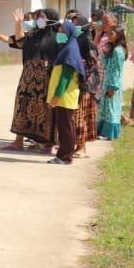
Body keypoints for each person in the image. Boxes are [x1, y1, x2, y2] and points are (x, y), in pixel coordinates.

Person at [0, 8, 60, 152]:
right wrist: (18, 24)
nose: (39, 20)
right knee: (22, 107)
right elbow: (19, 40)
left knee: (46, 110)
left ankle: (48, 144)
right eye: (38, 17)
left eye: (43, 17)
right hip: (27, 79)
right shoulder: (32, 35)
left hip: (47, 79)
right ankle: (18, 142)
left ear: (51, 19)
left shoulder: (58, 37)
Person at [47, 18, 85, 164]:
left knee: (66, 127)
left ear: (69, 32)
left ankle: (65, 157)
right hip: (63, 96)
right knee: (64, 126)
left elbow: (66, 76)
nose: (59, 32)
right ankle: (62, 155)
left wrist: (57, 95)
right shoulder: (67, 48)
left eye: (62, 30)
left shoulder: (70, 50)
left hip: (65, 95)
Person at [72, 12, 101, 158]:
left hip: (85, 86)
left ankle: (82, 147)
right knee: (74, 117)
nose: (74, 27)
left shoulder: (88, 44)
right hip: (74, 84)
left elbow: (93, 66)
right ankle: (77, 145)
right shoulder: (74, 41)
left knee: (80, 116)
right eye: (73, 24)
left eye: (77, 24)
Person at [97, 28, 127, 140]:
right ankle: (106, 132)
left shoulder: (118, 51)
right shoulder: (113, 50)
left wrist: (113, 87)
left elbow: (116, 70)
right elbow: (105, 65)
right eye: (108, 33)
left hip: (112, 83)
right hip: (108, 81)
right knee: (108, 108)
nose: (109, 36)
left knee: (111, 108)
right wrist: (105, 53)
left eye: (111, 33)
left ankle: (111, 133)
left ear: (119, 35)